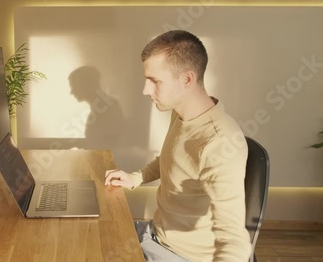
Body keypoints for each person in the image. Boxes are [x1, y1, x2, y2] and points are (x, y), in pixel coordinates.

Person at [104, 30, 251, 262]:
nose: (145, 90)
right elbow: (170, 158)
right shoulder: (181, 114)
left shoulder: (219, 143)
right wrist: (136, 178)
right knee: (93, 234)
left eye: (155, 81)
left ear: (187, 79)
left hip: (179, 255)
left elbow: (234, 240)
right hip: (155, 234)